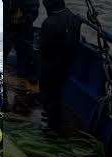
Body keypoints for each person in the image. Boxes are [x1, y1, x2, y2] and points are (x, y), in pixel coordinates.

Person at [40, 0, 81, 132]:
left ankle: (52, 127)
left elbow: (44, 51)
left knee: (49, 96)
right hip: (66, 65)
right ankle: (55, 121)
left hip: (52, 67)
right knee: (58, 94)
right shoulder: (73, 17)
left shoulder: (49, 23)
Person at [5, 0, 39, 79]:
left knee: (23, 49)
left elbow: (34, 10)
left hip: (24, 26)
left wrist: (25, 20)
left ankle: (22, 75)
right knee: (6, 46)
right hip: (8, 26)